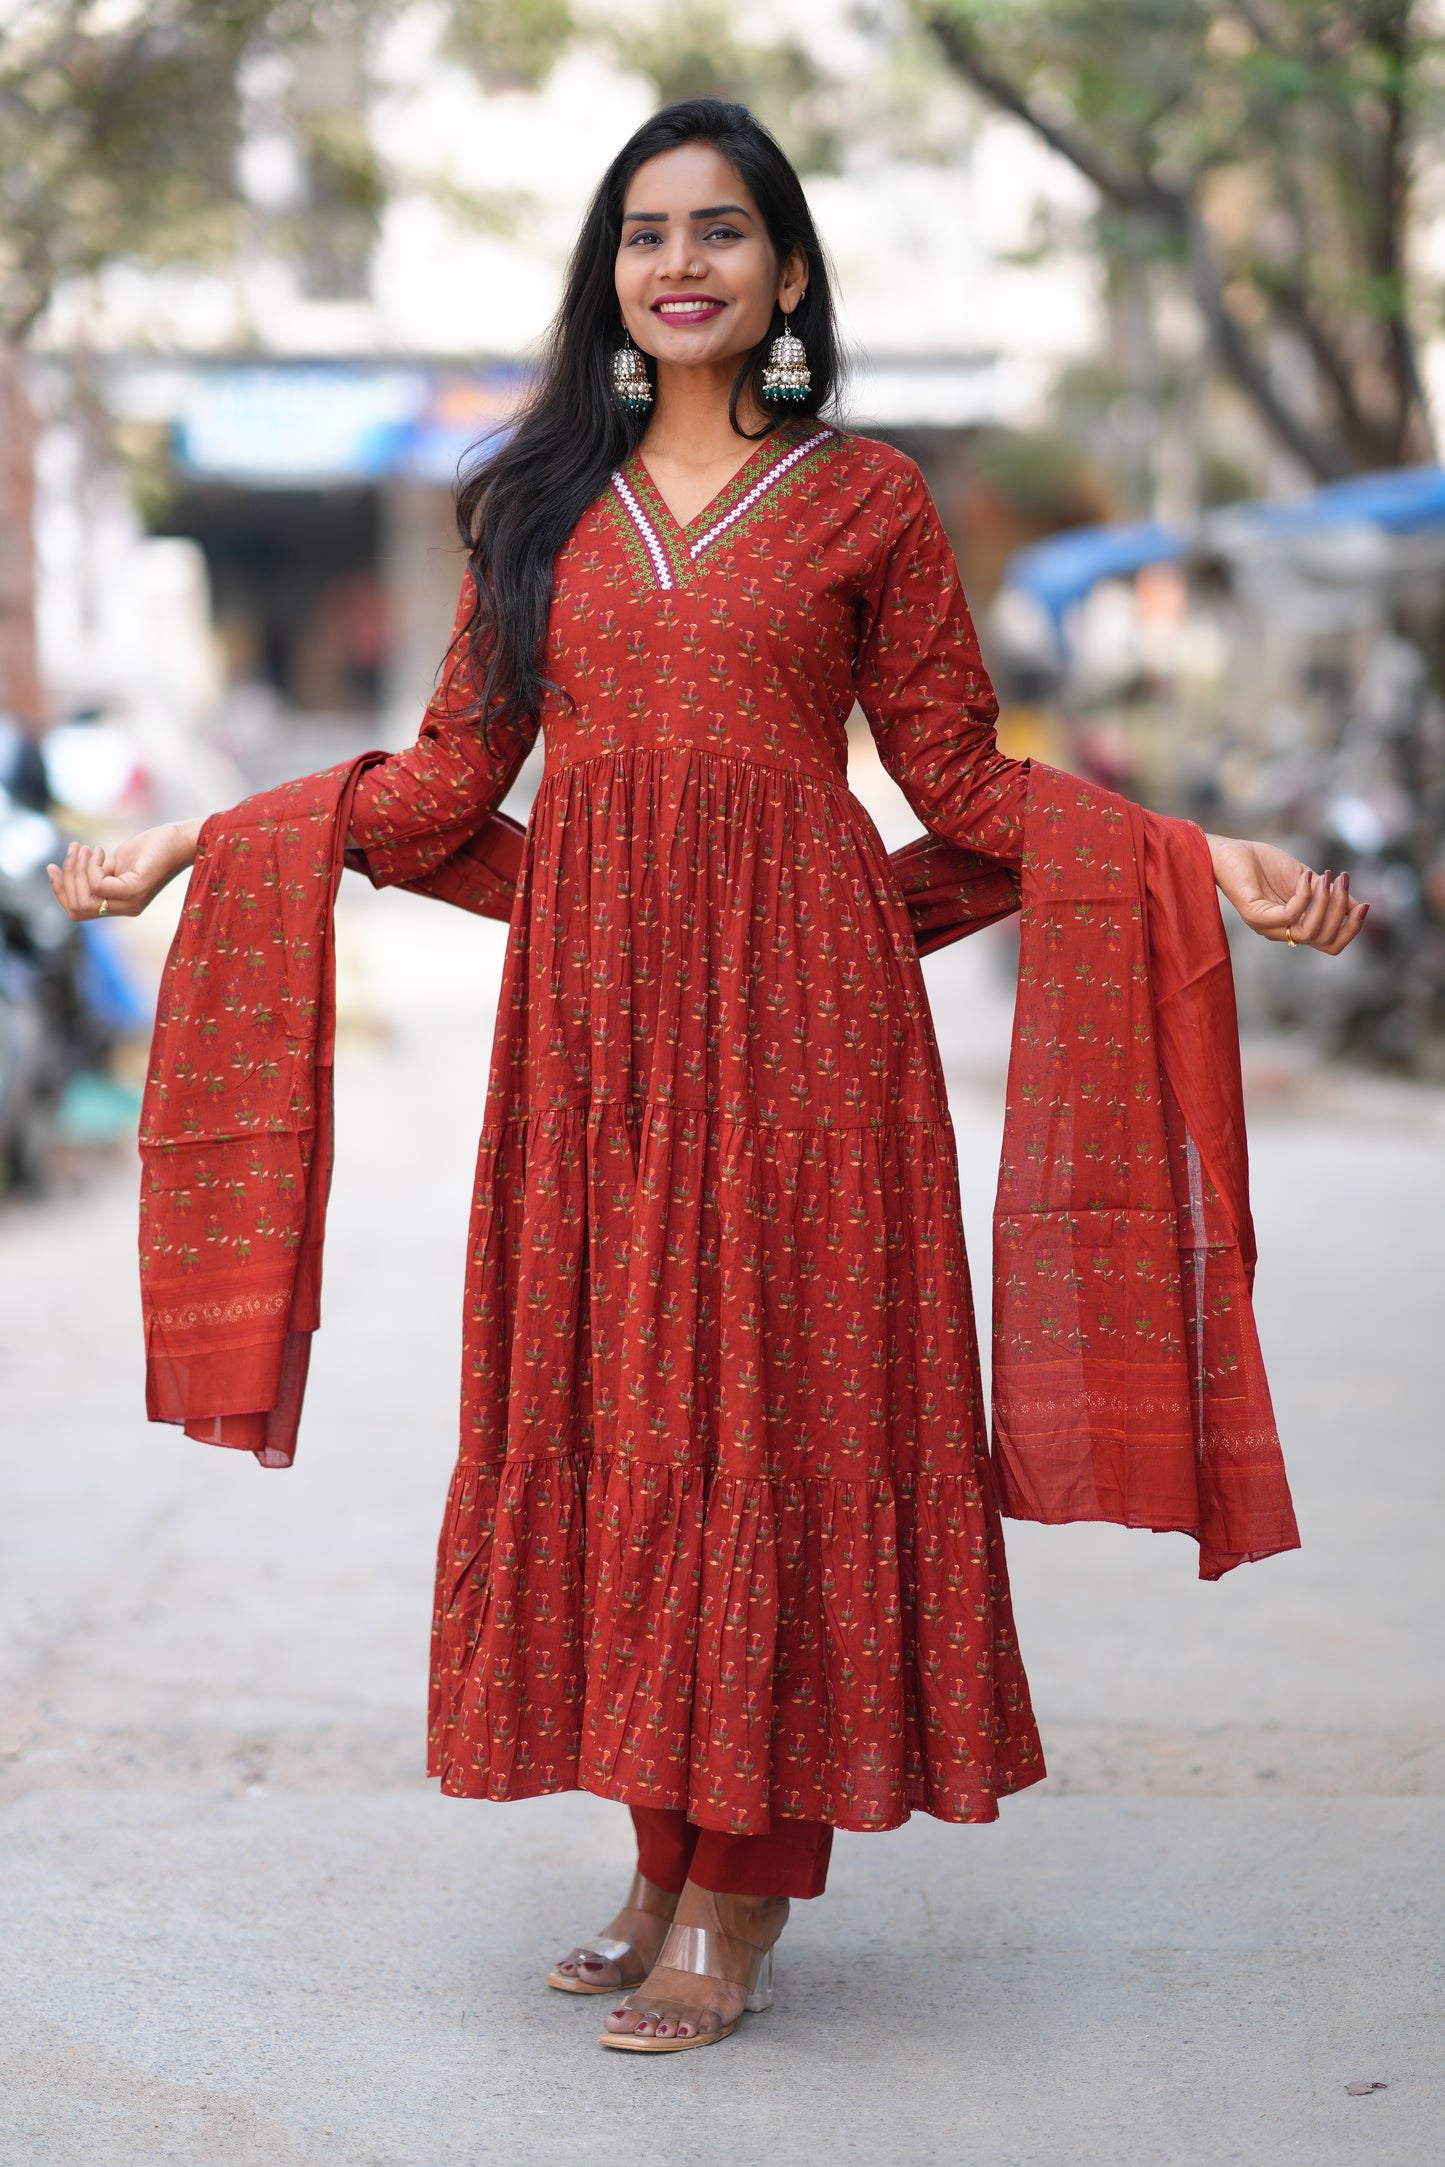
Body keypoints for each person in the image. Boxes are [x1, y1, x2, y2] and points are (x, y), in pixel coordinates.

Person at [48, 98, 1365, 2057]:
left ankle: (741, 1884)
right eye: (647, 233)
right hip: (594, 1048)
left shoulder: (869, 502)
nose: (682, 264)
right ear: (610, 274)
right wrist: (194, 844)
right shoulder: (532, 506)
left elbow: (963, 784)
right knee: (625, 1414)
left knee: (781, 1414)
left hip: (815, 1045)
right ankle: (662, 1851)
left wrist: (1196, 857)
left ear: (787, 272)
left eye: (721, 231)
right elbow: (445, 784)